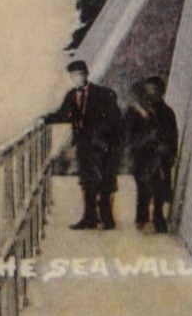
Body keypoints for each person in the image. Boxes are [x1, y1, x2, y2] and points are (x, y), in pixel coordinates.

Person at [44, 60, 122, 229]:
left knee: (104, 182)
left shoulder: (102, 94)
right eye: (73, 76)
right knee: (87, 182)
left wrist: (105, 139)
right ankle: (90, 218)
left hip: (101, 147)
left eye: (79, 74)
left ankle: (107, 219)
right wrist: (43, 119)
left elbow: (113, 120)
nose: (76, 78)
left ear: (86, 74)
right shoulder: (72, 95)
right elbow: (62, 115)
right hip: (84, 147)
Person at [123, 76, 179, 234]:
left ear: (162, 92)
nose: (151, 94)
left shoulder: (167, 113)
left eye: (154, 90)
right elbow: (129, 136)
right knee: (143, 190)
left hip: (160, 158)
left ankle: (158, 218)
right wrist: (146, 140)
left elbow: (172, 135)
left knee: (159, 190)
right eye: (149, 90)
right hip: (142, 157)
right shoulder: (135, 112)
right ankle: (142, 219)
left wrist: (169, 152)